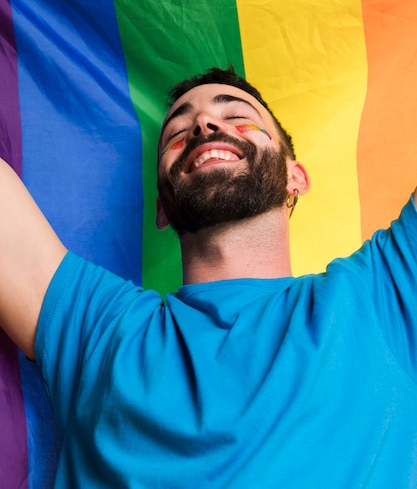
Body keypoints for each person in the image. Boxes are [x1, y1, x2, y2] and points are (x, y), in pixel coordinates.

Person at [0, 65, 417, 488]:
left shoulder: (383, 293)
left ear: (296, 177)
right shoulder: (100, 331)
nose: (203, 123)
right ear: (161, 208)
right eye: (178, 132)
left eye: (238, 116)